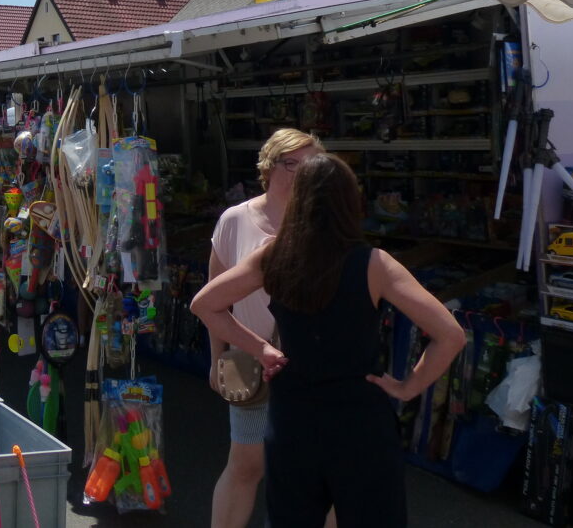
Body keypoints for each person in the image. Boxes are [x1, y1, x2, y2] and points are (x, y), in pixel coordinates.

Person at [192, 154, 466, 527]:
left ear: (299, 199)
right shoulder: (374, 264)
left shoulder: (274, 256)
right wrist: (408, 387)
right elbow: (450, 334)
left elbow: (205, 304)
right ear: (349, 201)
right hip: (359, 419)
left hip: (293, 418)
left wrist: (262, 349)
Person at [207, 128, 323, 528]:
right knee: (245, 465)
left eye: (311, 166)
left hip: (311, 363)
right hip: (249, 359)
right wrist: (216, 358)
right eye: (293, 163)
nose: (301, 174)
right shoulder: (235, 221)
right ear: (270, 166)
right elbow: (212, 297)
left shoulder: (323, 225)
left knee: (318, 471)